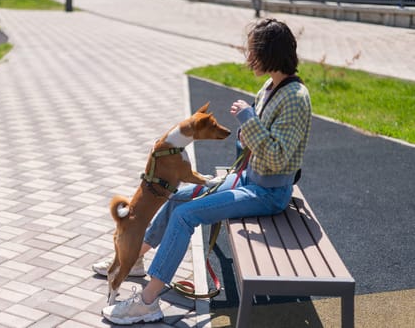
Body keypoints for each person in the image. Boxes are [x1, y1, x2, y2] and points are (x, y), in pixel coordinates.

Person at [95, 18, 312, 325]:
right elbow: (262, 141)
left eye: (252, 51)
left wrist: (248, 122)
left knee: (187, 215)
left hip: (268, 192)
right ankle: (134, 261)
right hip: (248, 179)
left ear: (269, 53)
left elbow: (277, 158)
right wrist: (245, 134)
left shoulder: (295, 98)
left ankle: (147, 302)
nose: (248, 58)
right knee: (177, 198)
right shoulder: (272, 86)